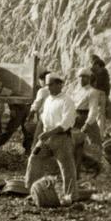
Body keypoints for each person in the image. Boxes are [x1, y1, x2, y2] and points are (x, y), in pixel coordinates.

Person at [25, 73, 78, 205]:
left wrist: (49, 133)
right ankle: (31, 190)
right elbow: (44, 117)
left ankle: (70, 196)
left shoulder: (67, 101)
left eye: (52, 85)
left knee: (66, 167)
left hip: (61, 138)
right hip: (45, 138)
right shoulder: (48, 99)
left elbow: (66, 123)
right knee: (34, 158)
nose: (49, 88)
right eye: (48, 85)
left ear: (60, 84)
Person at [74, 68, 106, 168]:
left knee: (95, 141)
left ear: (89, 79)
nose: (82, 79)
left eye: (85, 77)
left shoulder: (92, 92)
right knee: (76, 142)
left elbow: (93, 109)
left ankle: (96, 164)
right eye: (80, 77)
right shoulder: (77, 91)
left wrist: (88, 123)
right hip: (75, 117)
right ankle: (80, 165)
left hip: (86, 116)